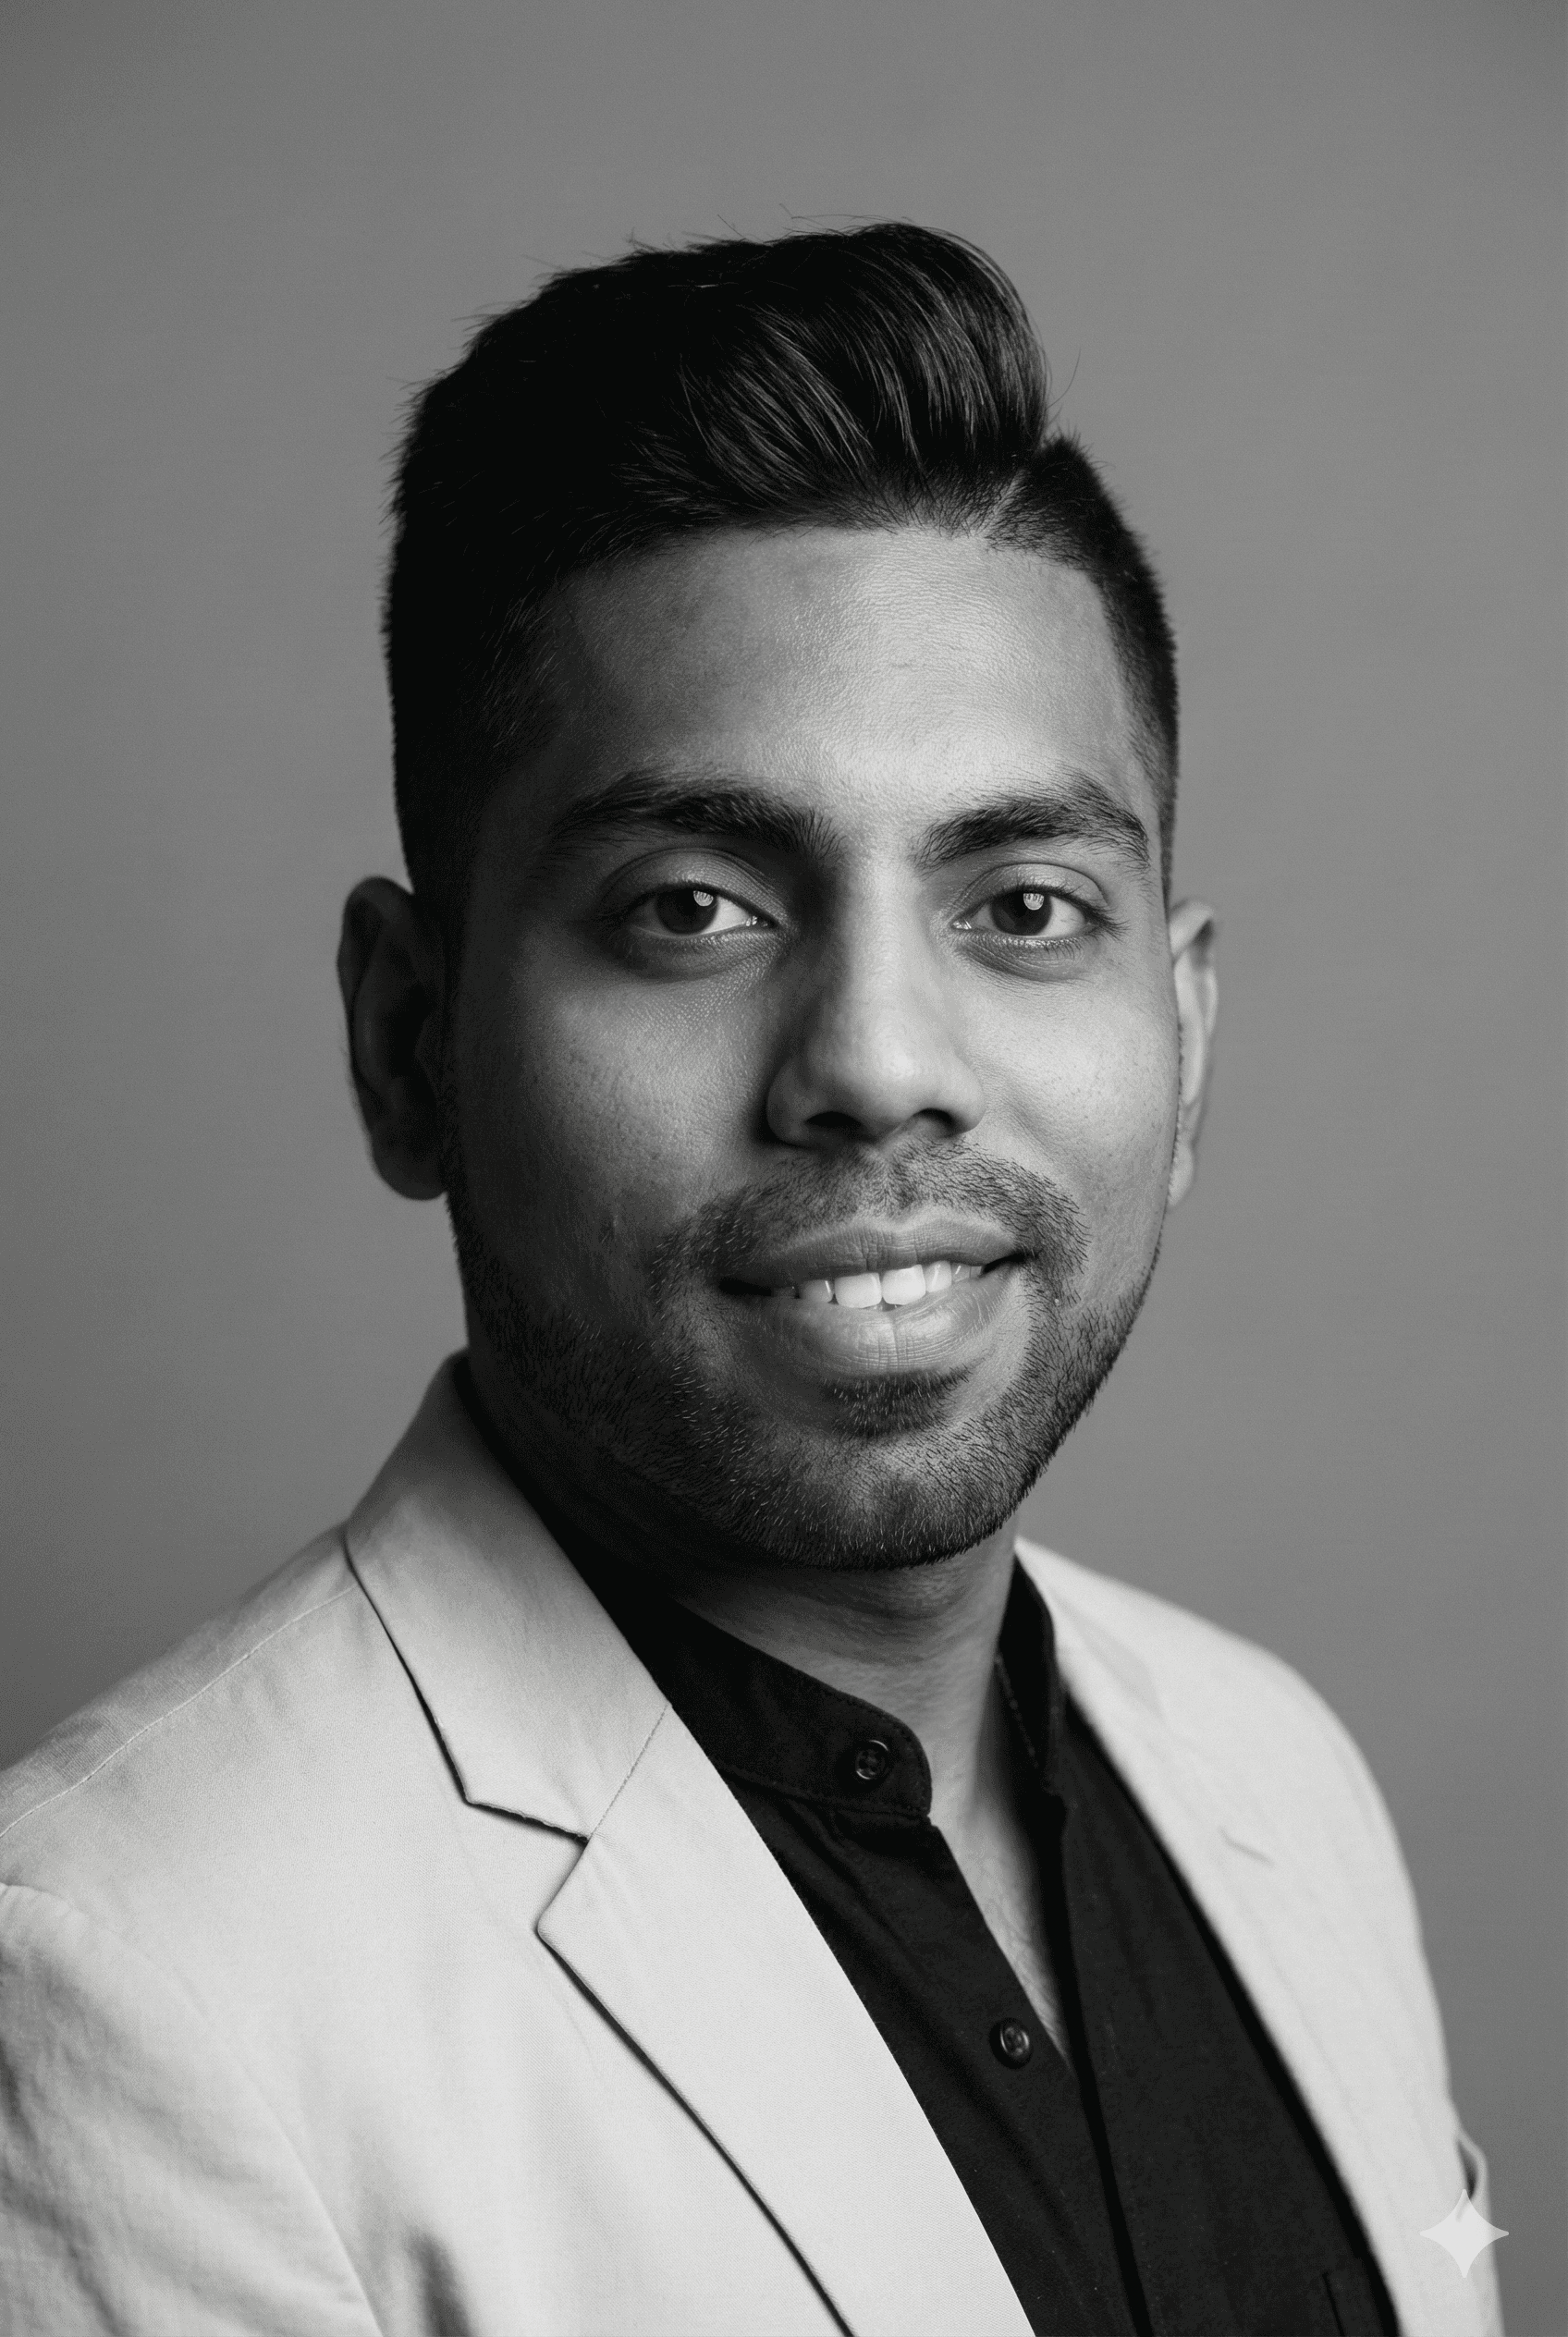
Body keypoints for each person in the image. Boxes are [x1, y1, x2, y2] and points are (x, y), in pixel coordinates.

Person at [0, 225, 1501, 2337]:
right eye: (691, 904)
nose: (880, 1060)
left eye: (1023, 901)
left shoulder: (1275, 1775)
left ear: (1183, 1049)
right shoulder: (117, 1985)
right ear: (409, 1042)